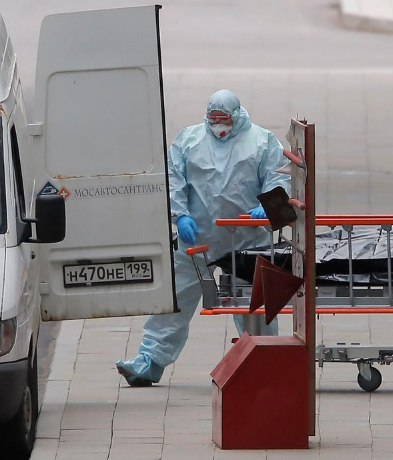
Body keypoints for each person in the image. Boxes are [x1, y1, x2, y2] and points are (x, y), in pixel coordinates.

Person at [116, 89, 290, 387]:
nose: (218, 126)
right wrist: (179, 215)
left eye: (223, 119)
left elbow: (279, 177)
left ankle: (262, 359)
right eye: (213, 119)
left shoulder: (261, 142)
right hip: (197, 238)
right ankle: (150, 360)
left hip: (246, 238)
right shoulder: (190, 140)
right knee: (176, 298)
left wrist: (269, 206)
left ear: (236, 116)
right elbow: (175, 179)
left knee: (252, 304)